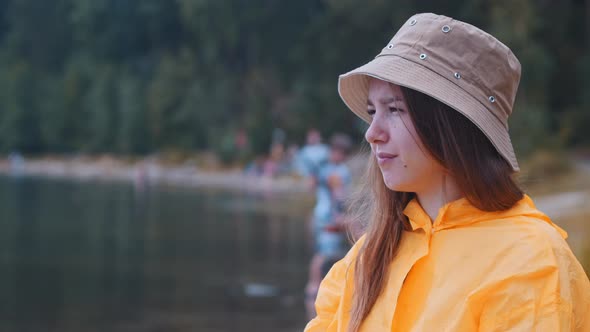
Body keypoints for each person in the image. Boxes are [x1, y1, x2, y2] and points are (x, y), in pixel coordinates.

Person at [305, 13, 590, 332]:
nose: (372, 133)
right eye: (373, 111)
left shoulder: (531, 260)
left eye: (395, 109)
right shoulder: (365, 260)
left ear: (451, 124)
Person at [305, 133, 353, 320]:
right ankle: (314, 286)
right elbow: (339, 195)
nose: (339, 156)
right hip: (327, 217)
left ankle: (318, 285)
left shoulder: (331, 170)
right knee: (324, 253)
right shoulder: (334, 171)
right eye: (337, 152)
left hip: (324, 216)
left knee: (327, 252)